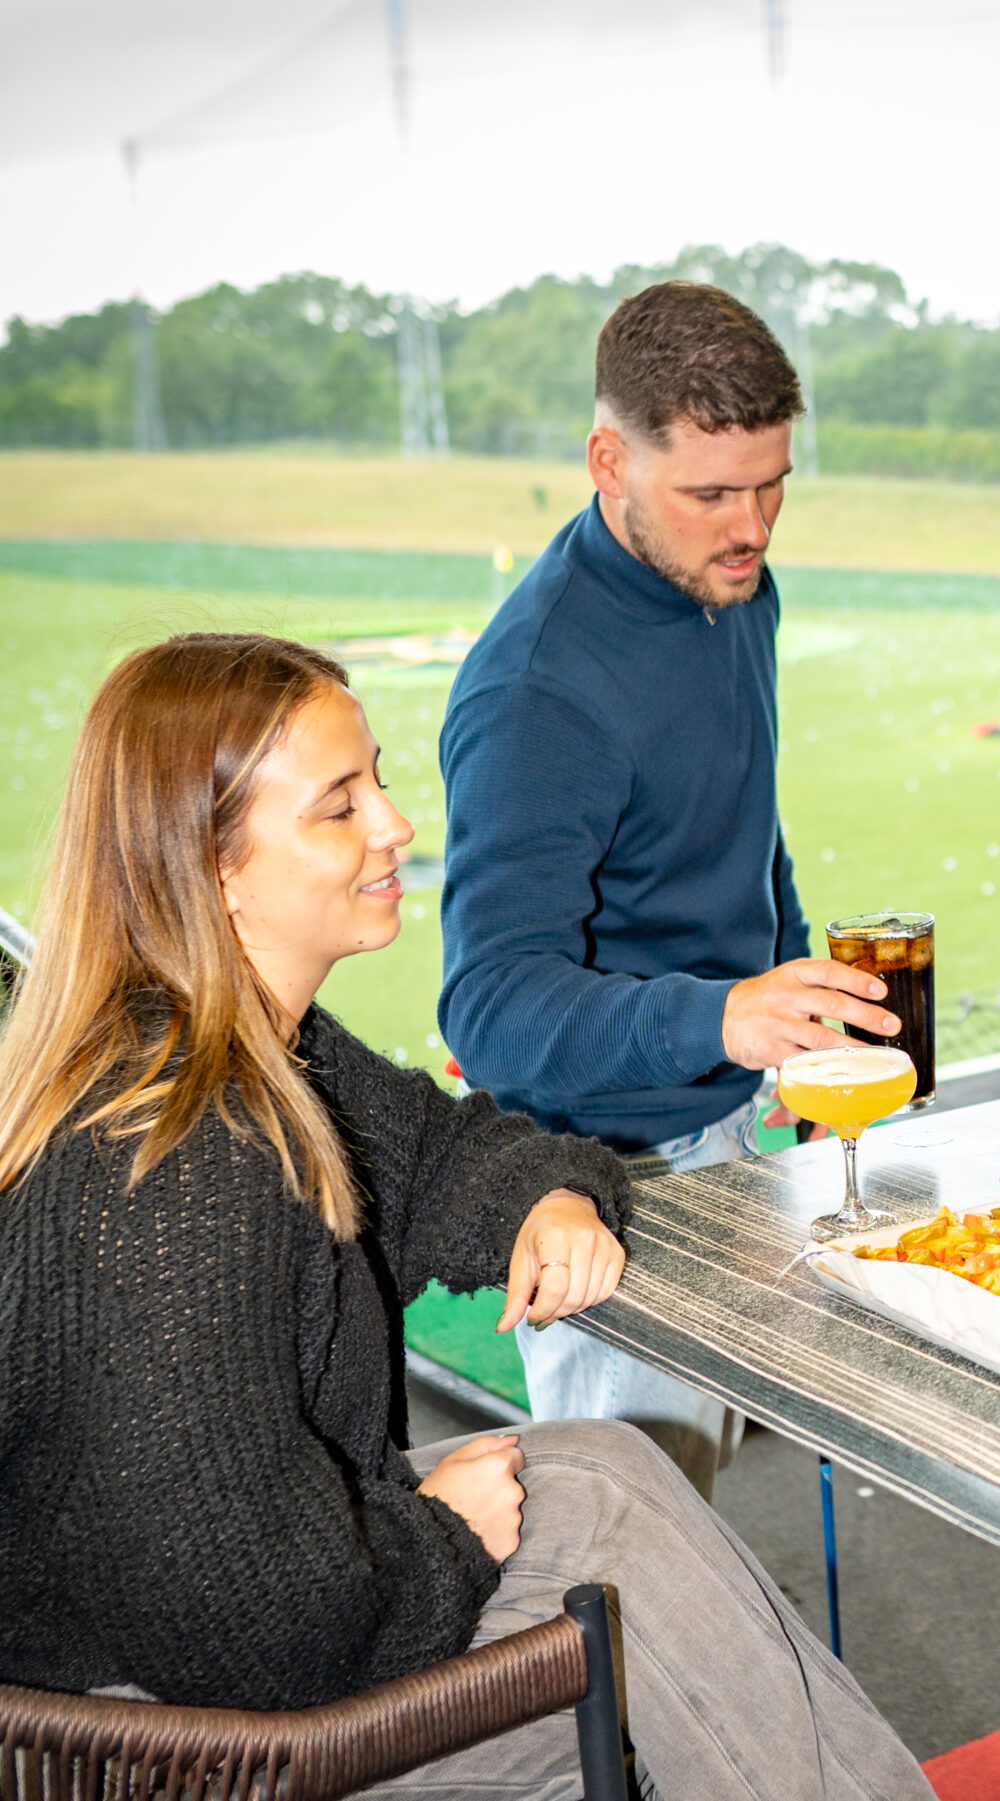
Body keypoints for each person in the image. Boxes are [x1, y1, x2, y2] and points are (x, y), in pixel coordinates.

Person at [0, 634, 929, 1801]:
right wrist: (440, 1538)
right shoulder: (182, 1168)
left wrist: (546, 1198)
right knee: (666, 1639)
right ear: (213, 867)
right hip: (150, 1743)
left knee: (608, 1482)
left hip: (231, 1643)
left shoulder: (254, 1053)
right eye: (340, 806)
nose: (396, 826)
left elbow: (441, 1150)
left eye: (378, 782)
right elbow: (241, 1625)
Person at [440, 281, 899, 1497]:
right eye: (710, 494)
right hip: (605, 1177)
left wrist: (793, 1014)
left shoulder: (732, 586)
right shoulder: (536, 690)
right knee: (624, 1544)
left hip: (735, 1116)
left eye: (772, 485)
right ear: (610, 461)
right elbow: (490, 1006)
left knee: (712, 1491)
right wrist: (724, 1015)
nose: (752, 527)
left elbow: (743, 821)